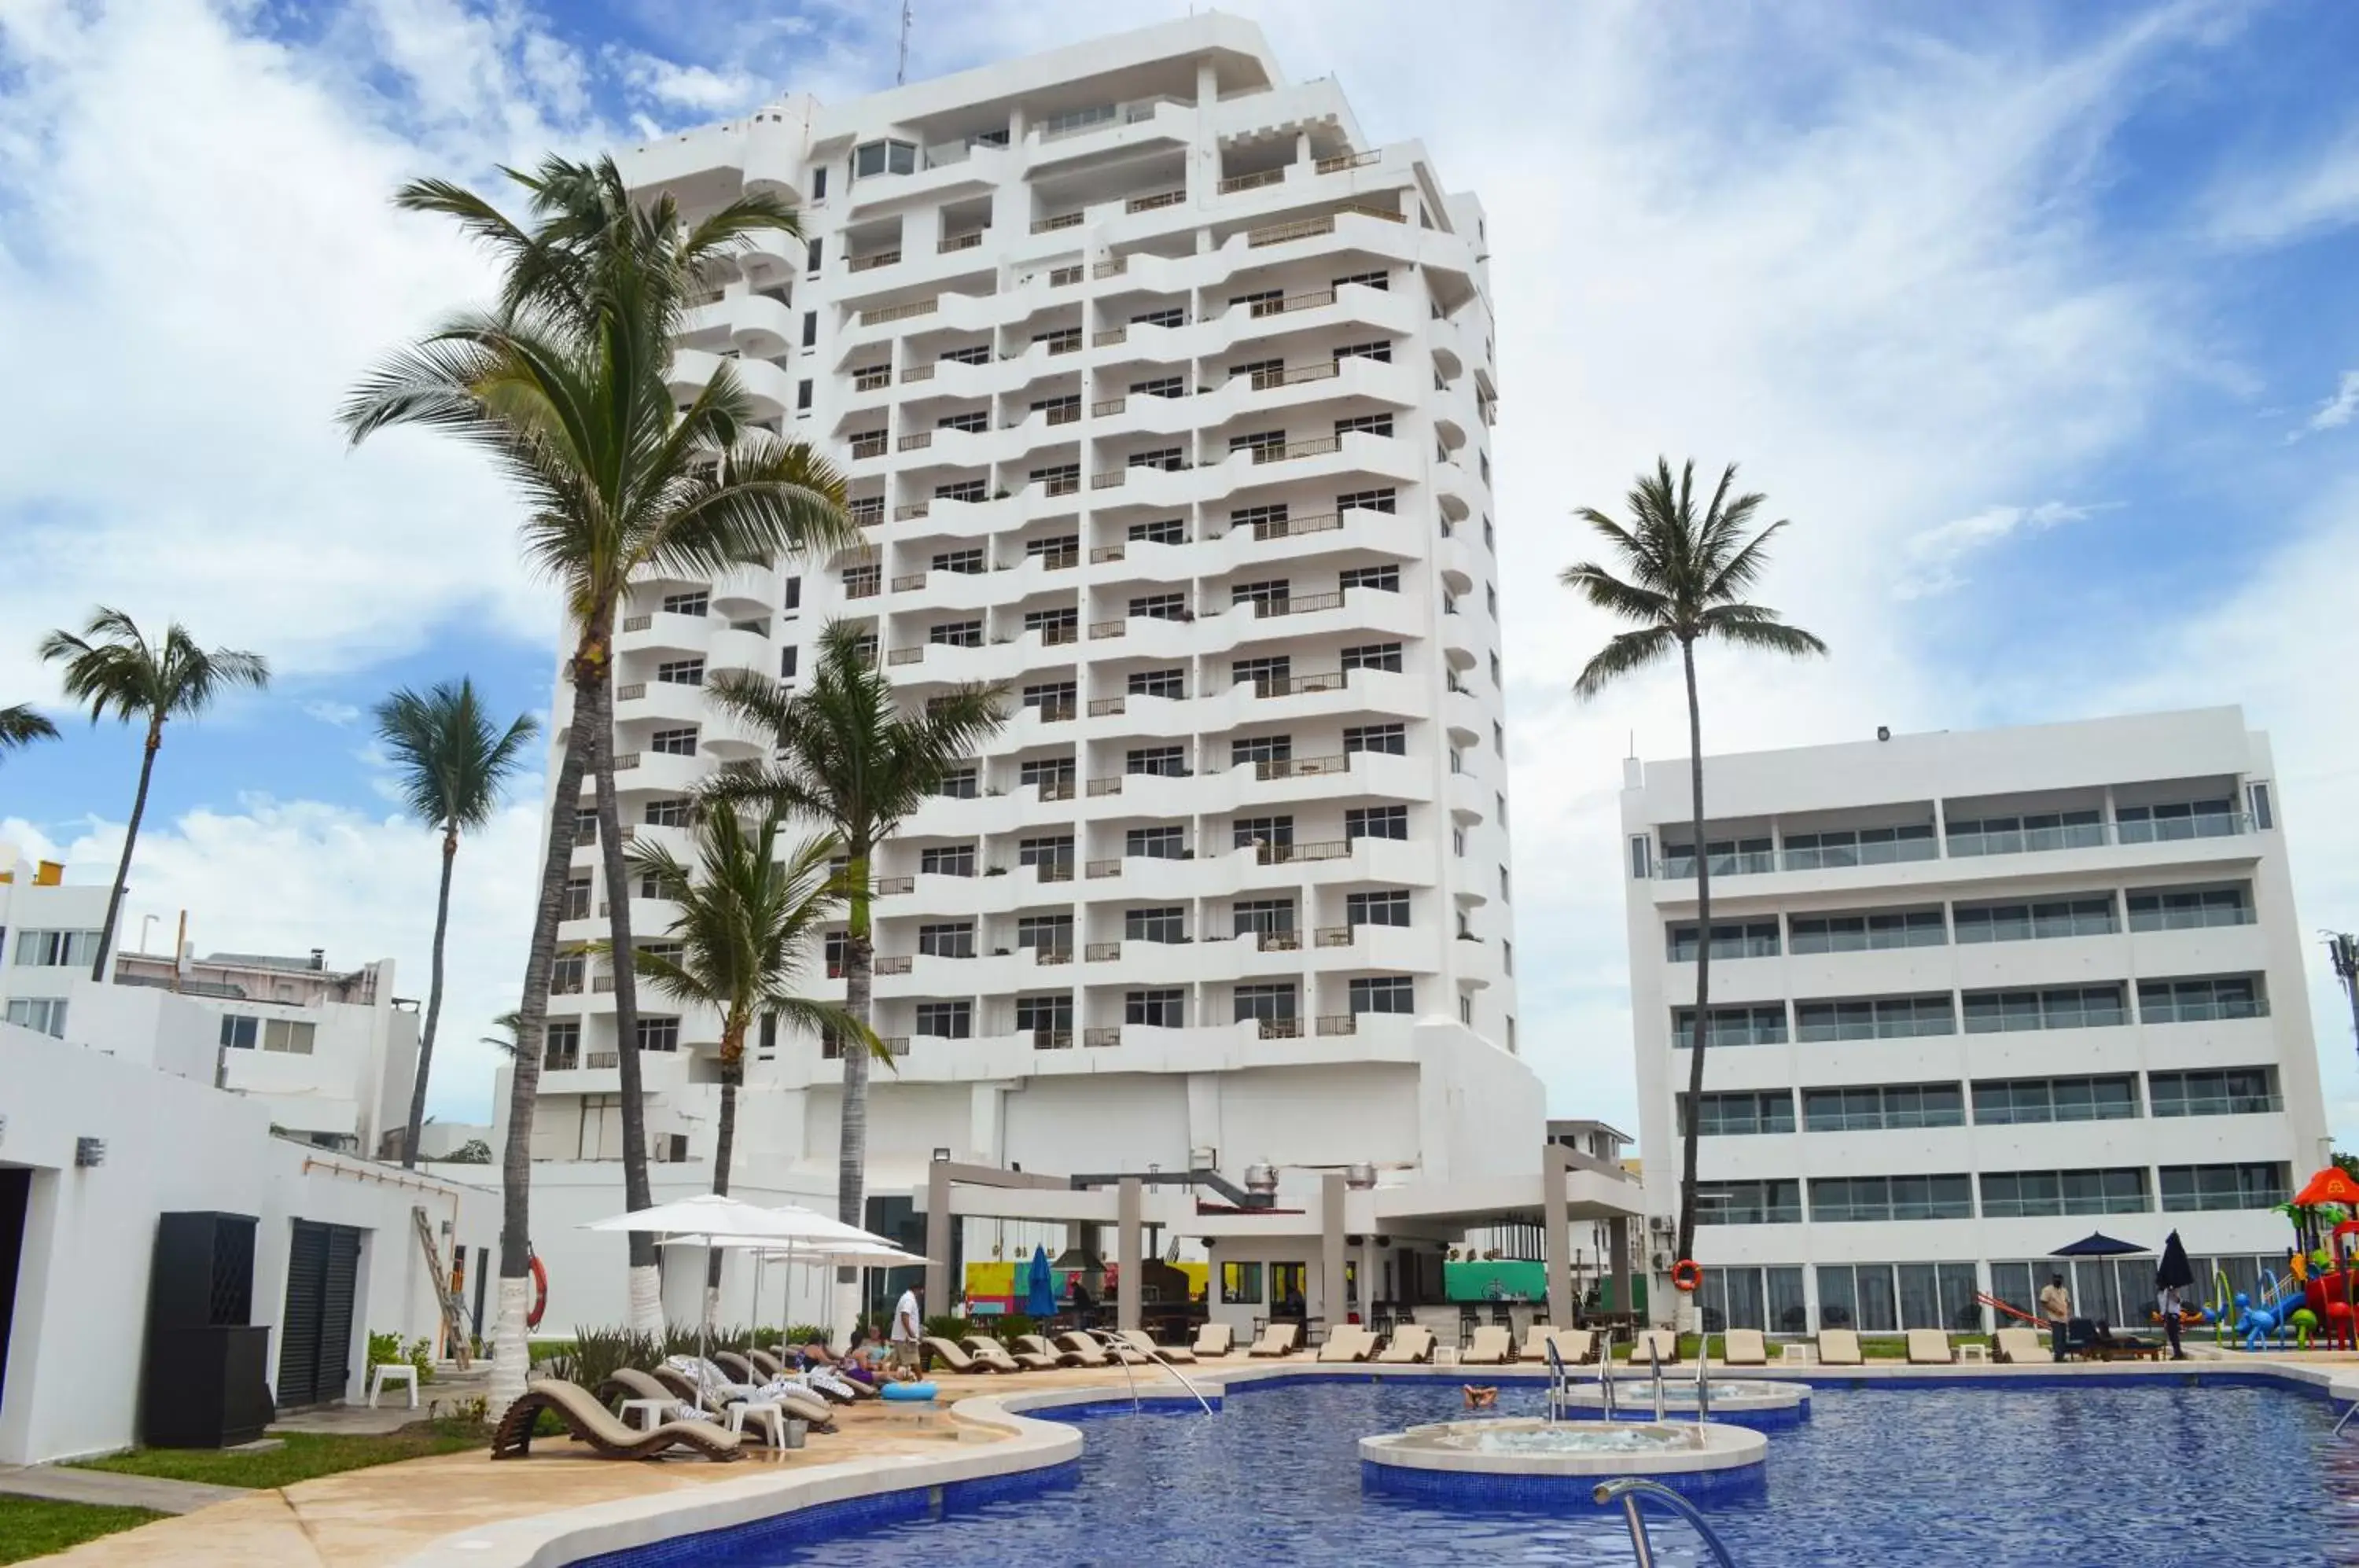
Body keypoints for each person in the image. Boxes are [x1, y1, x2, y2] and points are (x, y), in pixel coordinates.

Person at [892, 1281, 923, 1375]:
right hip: (906, 1337)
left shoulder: (905, 1297)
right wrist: (910, 1333)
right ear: (917, 1289)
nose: (921, 1294)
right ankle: (920, 1380)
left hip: (902, 1336)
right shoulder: (909, 1299)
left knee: (902, 1362)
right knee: (914, 1360)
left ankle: (899, 1380)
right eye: (921, 1291)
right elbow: (905, 1315)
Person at [2041, 1273, 2073, 1360]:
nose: (2058, 1280)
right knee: (2057, 1337)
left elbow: (2068, 1302)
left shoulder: (2064, 1290)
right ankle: (2058, 1357)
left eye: (2060, 1279)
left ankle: (2061, 1356)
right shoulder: (2048, 1290)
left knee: (2063, 1338)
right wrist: (2055, 1310)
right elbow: (2044, 1302)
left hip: (2063, 1317)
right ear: (2053, 1279)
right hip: (2054, 1317)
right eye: (2056, 1278)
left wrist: (2067, 1311)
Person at [2160, 1283, 2187, 1360]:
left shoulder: (2174, 1289)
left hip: (2173, 1315)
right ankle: (2177, 1353)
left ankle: (2178, 1354)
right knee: (2171, 1336)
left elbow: (2178, 1300)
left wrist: (2172, 1293)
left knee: (2174, 1335)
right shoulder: (2165, 1291)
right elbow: (2164, 1305)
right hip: (2168, 1315)